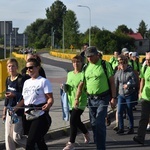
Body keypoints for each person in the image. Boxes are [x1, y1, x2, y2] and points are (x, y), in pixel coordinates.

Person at [15, 58, 54, 150]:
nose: (28, 70)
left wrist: (48, 105)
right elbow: (25, 99)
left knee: (30, 143)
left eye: (31, 67)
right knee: (39, 141)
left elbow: (50, 98)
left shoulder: (43, 81)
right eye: (27, 68)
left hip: (40, 115)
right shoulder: (26, 82)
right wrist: (15, 109)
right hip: (28, 116)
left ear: (38, 68)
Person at [84, 46, 116, 150]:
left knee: (99, 122)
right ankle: (98, 142)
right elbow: (83, 84)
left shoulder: (104, 65)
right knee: (93, 124)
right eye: (87, 57)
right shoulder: (86, 67)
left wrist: (113, 97)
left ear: (97, 54)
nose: (89, 58)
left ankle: (101, 147)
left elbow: (112, 82)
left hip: (103, 98)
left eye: (91, 56)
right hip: (91, 99)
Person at [62, 55, 90, 150]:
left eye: (78, 62)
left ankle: (71, 143)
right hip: (70, 100)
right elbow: (69, 86)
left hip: (80, 100)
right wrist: (64, 87)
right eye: (74, 62)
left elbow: (80, 87)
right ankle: (86, 132)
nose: (76, 64)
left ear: (82, 63)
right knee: (76, 120)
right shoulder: (69, 74)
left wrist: (77, 99)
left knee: (73, 120)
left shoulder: (83, 74)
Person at [2, 58, 26, 150]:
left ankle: (32, 145)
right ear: (7, 68)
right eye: (9, 66)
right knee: (8, 136)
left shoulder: (21, 80)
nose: (11, 68)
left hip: (18, 112)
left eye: (13, 66)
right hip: (9, 111)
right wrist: (4, 112)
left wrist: (14, 96)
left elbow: (25, 97)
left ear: (17, 67)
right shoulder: (8, 79)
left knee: (16, 136)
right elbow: (7, 98)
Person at [114, 55, 137, 134]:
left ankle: (131, 127)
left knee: (129, 111)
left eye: (124, 64)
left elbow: (135, 83)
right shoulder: (118, 73)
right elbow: (115, 83)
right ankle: (121, 127)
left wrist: (129, 85)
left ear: (127, 64)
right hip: (121, 94)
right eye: (121, 64)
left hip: (129, 94)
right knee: (119, 111)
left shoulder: (130, 72)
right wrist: (114, 95)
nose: (122, 65)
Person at [133, 52, 150, 145]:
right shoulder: (145, 67)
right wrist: (140, 91)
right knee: (144, 118)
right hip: (146, 98)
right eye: (146, 59)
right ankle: (140, 137)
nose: (147, 61)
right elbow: (142, 79)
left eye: (149, 60)